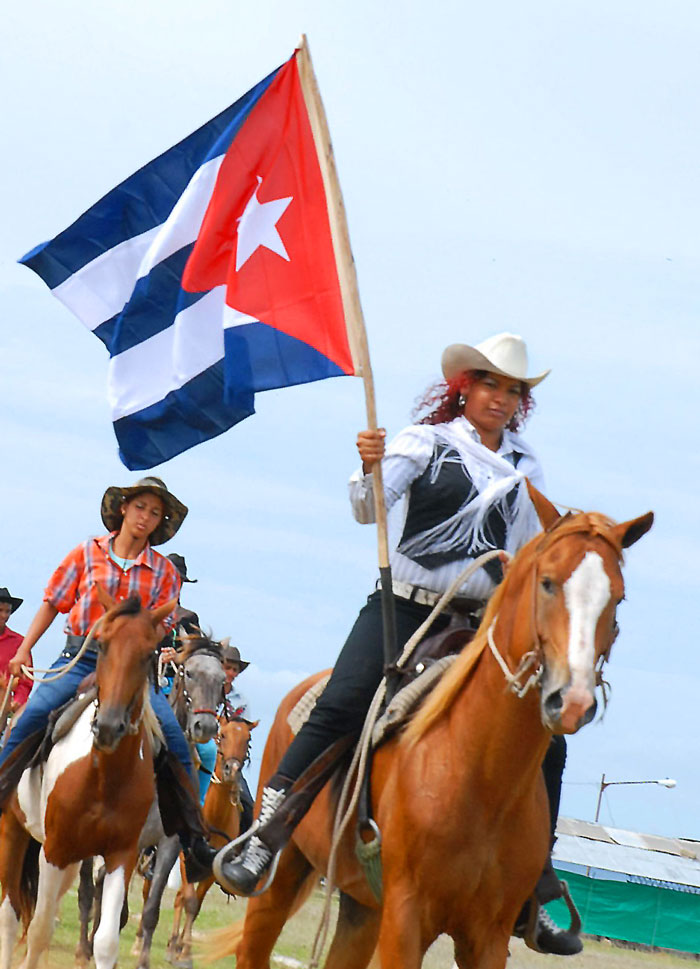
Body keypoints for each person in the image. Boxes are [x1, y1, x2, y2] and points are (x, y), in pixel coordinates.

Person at [218, 333, 580, 955]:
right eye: (490, 384)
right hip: (403, 608)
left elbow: (525, 552)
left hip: (479, 620)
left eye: (513, 389)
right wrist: (369, 466)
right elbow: (368, 510)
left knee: (543, 736)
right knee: (342, 703)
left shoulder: (526, 467)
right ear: (464, 385)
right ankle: (267, 830)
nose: (501, 398)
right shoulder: (425, 442)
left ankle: (532, 885)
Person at [0, 476, 217, 879]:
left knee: (175, 739)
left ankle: (193, 840)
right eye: (140, 508)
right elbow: (53, 602)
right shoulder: (87, 553)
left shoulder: (164, 572)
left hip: (132, 669)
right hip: (81, 657)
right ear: (123, 509)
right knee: (33, 714)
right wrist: (26, 646)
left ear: (160, 523)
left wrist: (140, 639)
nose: (146, 517)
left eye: (155, 513)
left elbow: (160, 625)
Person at [0, 588, 33, 715]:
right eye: (0, 610)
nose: (4, 616)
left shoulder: (19, 643)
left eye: (7, 611)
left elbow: (26, 681)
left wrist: (18, 701)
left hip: (7, 705)